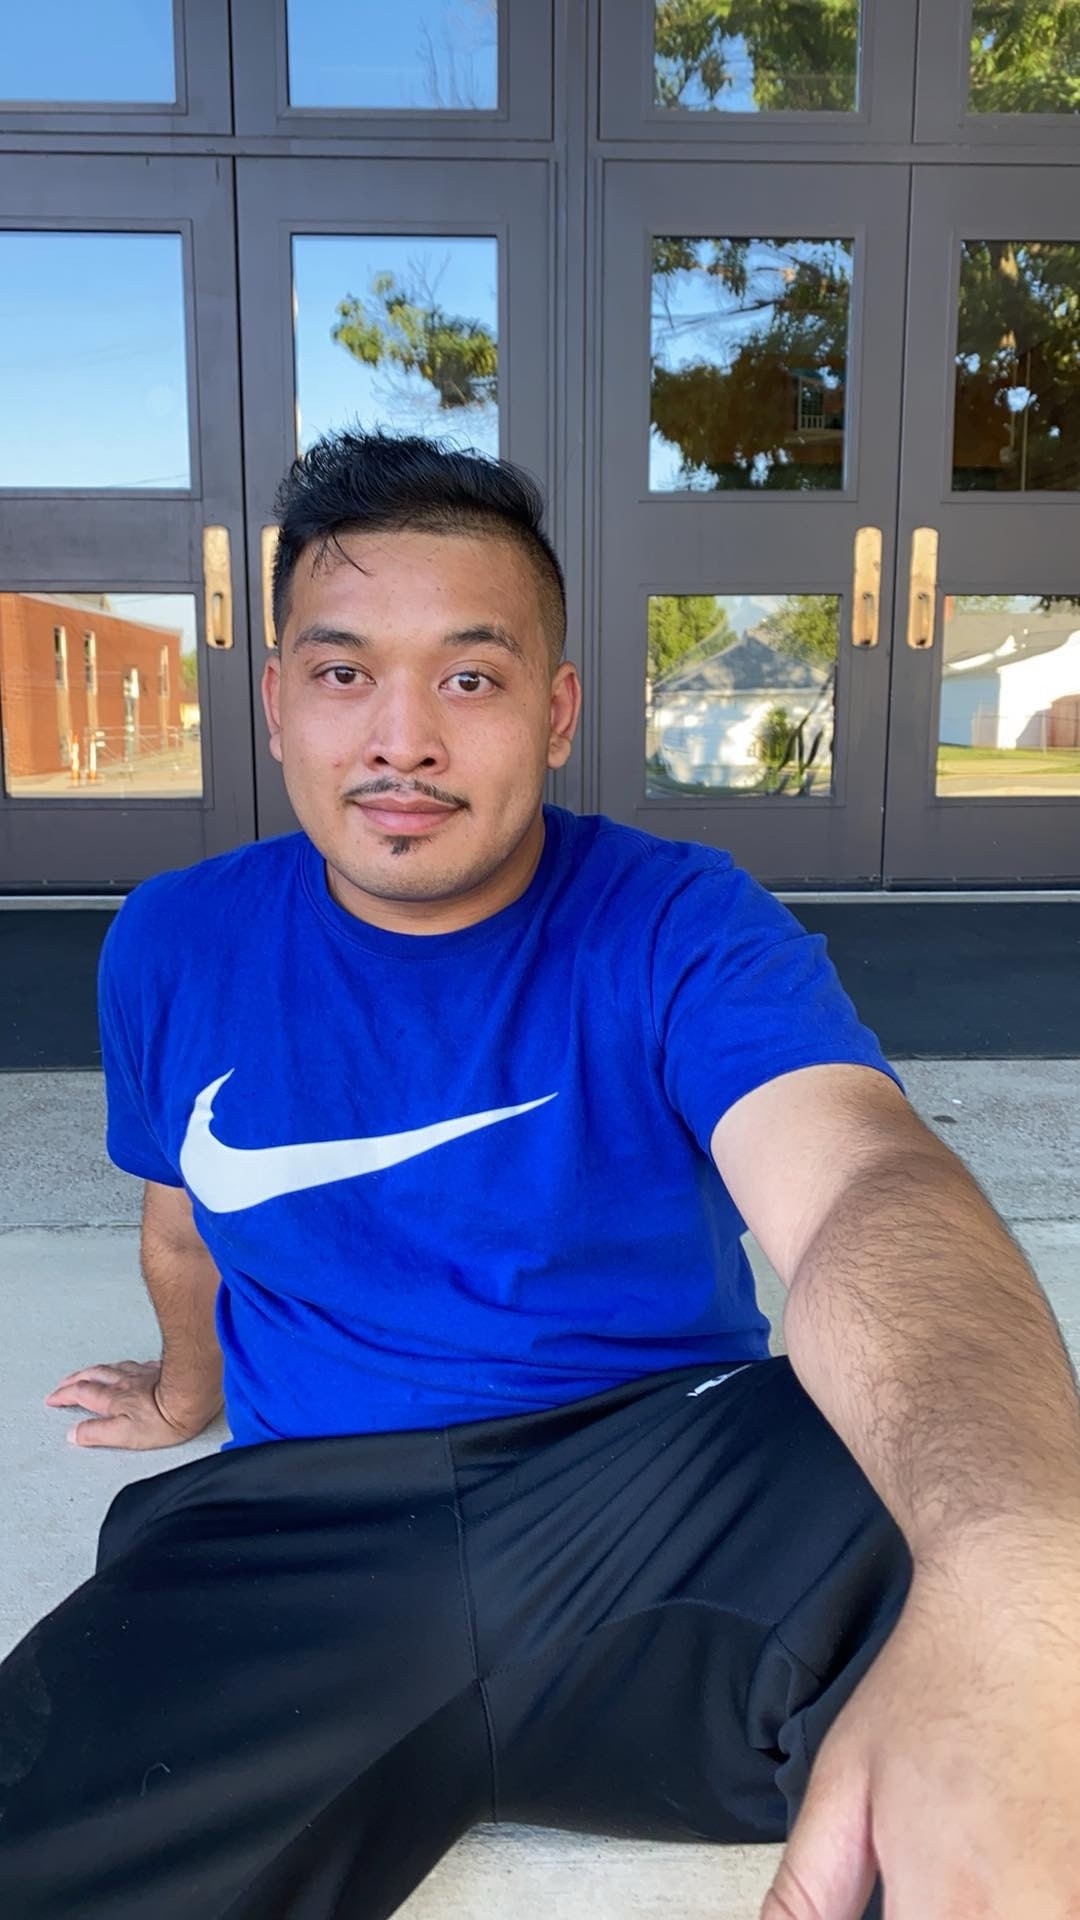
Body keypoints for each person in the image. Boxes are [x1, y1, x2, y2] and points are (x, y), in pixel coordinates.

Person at [2, 431, 1077, 1920]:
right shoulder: (172, 940)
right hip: (294, 1529)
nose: (402, 741)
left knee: (1030, 1660)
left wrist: (1020, 1572)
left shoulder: (681, 920)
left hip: (674, 1485)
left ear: (556, 710)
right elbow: (180, 1220)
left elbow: (864, 1189)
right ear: (275, 704)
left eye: (469, 677)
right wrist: (189, 1394)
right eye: (342, 672)